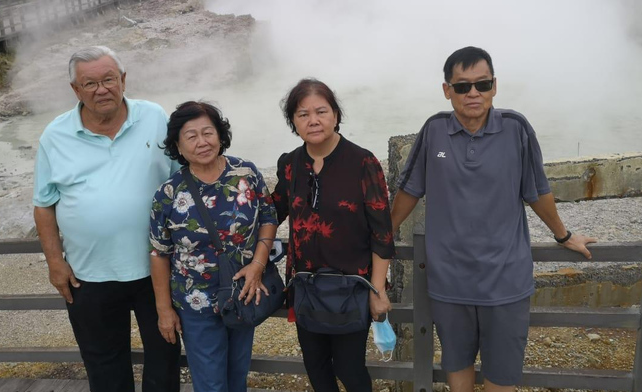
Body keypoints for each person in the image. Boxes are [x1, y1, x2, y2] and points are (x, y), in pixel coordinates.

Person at [391, 46, 597, 392]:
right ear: (447, 90)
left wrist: (564, 235)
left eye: (482, 84)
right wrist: (384, 233)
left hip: (505, 281)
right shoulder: (434, 130)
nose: (473, 93)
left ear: (494, 86)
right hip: (448, 281)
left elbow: (536, 191)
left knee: (502, 375)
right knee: (457, 365)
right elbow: (409, 189)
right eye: (462, 86)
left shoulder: (516, 128)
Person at [32, 46, 180, 392]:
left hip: (157, 270)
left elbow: (181, 178)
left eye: (109, 79)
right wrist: (56, 263)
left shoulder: (155, 117)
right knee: (104, 365)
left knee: (164, 359)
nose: (102, 89)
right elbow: (44, 204)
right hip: (89, 275)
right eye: (90, 83)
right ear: (76, 90)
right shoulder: (55, 135)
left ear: (123, 80)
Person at [272, 78, 396, 392]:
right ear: (293, 122)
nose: (312, 120)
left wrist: (377, 289)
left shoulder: (363, 162)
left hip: (352, 287)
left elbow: (382, 230)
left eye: (321, 111)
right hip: (306, 286)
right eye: (302, 114)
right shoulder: (290, 165)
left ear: (336, 115)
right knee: (315, 365)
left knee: (349, 367)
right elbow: (271, 213)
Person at [149, 101, 278, 392]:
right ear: (177, 146)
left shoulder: (246, 173)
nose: (202, 141)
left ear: (220, 135)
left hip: (242, 292)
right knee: (210, 384)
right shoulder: (169, 193)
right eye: (191, 136)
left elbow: (268, 217)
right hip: (196, 302)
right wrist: (164, 309)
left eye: (208, 132)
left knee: (237, 376)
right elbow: (159, 252)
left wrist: (257, 266)